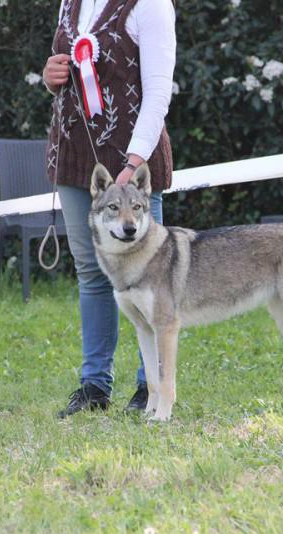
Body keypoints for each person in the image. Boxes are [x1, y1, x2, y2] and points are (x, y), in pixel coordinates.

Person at [42, 0, 177, 417]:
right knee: (90, 271)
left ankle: (149, 387)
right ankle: (94, 386)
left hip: (132, 166)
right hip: (74, 161)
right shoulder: (69, 2)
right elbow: (64, 78)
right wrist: (49, 78)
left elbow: (158, 95)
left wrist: (132, 167)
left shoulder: (151, 4)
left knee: (149, 277)